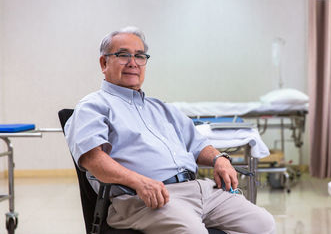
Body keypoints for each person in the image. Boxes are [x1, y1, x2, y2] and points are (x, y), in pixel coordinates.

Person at [65, 26, 275, 234]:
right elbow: (93, 160)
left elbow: (199, 145)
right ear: (104, 62)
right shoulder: (93, 106)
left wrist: (219, 158)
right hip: (144, 198)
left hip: (198, 190)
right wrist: (139, 182)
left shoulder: (162, 108)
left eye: (139, 56)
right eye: (123, 55)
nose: (133, 63)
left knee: (263, 225)